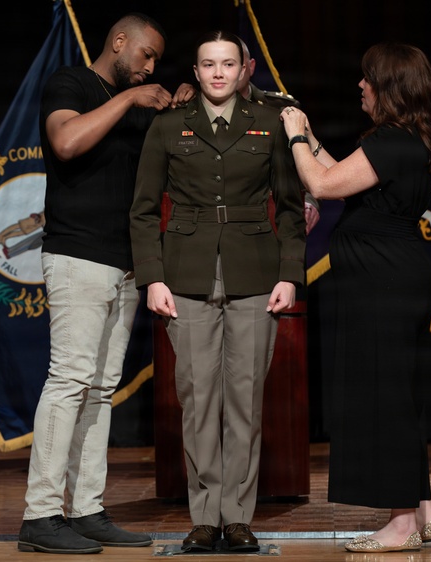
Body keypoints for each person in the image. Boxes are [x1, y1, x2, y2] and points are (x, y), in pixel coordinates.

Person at [17, 12, 194, 555]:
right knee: (69, 379)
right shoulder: (71, 82)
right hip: (77, 256)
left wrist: (184, 107)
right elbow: (67, 141)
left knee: (99, 390)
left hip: (126, 265)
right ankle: (40, 515)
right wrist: (127, 102)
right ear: (119, 42)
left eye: (157, 62)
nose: (150, 67)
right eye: (146, 55)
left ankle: (86, 507)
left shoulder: (140, 107)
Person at [130, 30, 306, 553]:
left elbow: (292, 208)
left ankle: (239, 516)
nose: (219, 73)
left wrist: (290, 274)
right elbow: (142, 210)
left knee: (246, 401)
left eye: (228, 64)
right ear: (197, 70)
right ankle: (205, 516)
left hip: (255, 273)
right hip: (185, 275)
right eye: (209, 64)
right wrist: (153, 279)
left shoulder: (270, 124)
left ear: (244, 69)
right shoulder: (167, 126)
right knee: (199, 398)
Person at [280, 42, 431, 553]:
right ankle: (422, 512)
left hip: (383, 283)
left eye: (368, 78)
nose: (360, 86)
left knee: (387, 398)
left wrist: (292, 138)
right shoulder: (405, 140)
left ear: (389, 86)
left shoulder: (393, 142)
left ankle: (399, 526)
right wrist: (308, 134)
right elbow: (347, 178)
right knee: (399, 394)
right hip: (393, 276)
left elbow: (324, 185)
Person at [237, 39, 320, 234]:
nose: (226, 72)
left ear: (251, 67)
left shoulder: (282, 109)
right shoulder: (189, 110)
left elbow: (307, 165)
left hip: (276, 226)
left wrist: (310, 201)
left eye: (234, 64)